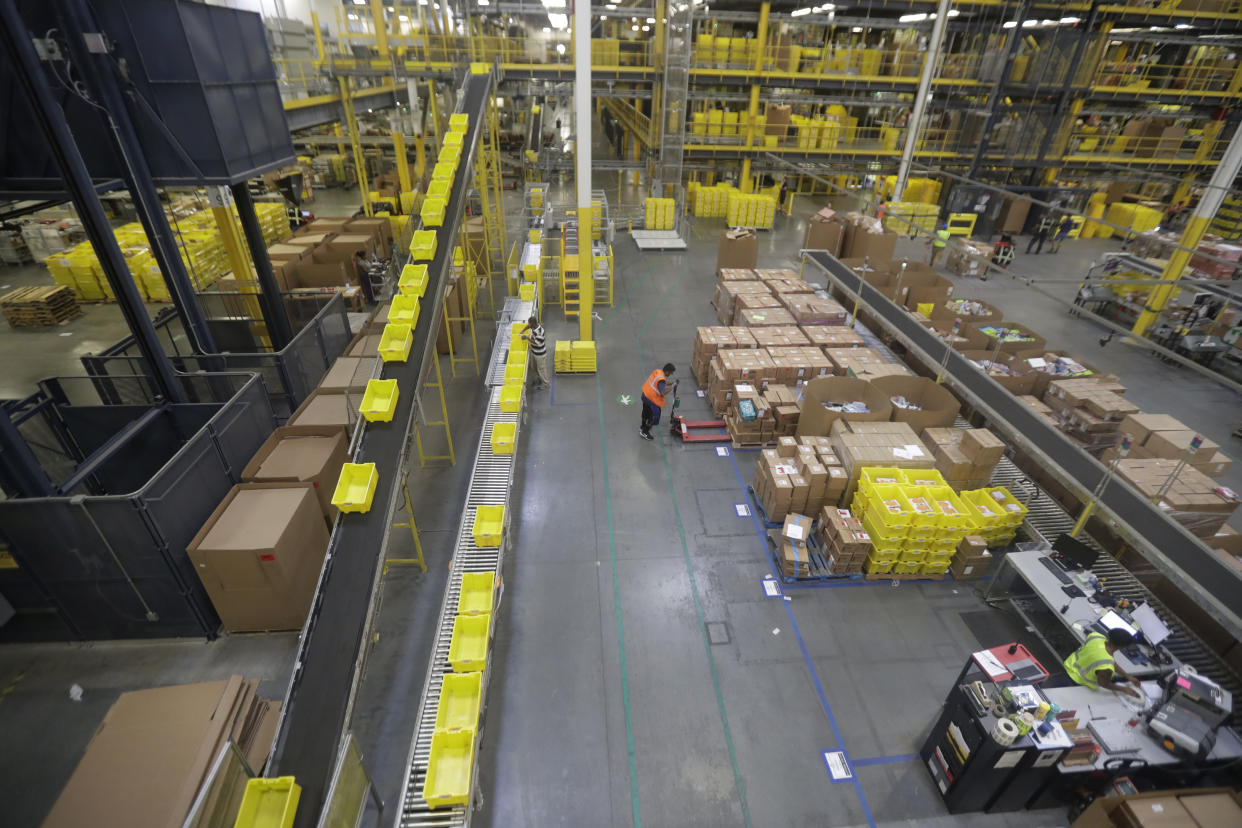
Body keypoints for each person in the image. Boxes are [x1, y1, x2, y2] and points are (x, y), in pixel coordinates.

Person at [1064, 628, 1142, 698]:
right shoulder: (1106, 667)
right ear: (1123, 646)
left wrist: (1128, 676)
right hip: (1076, 682)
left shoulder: (1096, 636)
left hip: (1068, 667)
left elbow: (1107, 661)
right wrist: (1124, 689)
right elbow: (1104, 683)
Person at [639, 363, 675, 441]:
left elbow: (657, 382)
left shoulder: (658, 372)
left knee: (645, 411)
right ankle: (645, 432)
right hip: (651, 399)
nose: (671, 374)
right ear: (667, 372)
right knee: (654, 416)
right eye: (671, 373)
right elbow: (662, 393)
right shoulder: (661, 380)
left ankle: (642, 426)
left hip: (645, 394)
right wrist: (670, 388)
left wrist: (666, 382)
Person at [521, 315, 549, 389]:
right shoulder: (534, 326)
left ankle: (545, 384)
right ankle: (539, 379)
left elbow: (536, 342)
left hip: (540, 355)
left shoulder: (540, 332)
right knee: (534, 367)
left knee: (541, 369)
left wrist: (527, 338)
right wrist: (522, 331)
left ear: (533, 323)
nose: (529, 325)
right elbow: (528, 326)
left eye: (530, 324)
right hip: (534, 352)